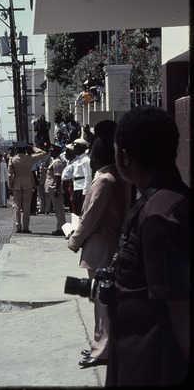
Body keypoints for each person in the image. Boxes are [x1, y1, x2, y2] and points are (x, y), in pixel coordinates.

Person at [106, 106, 189, 386]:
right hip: (136, 355)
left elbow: (180, 307)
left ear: (125, 156)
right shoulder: (163, 202)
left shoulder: (159, 215)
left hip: (154, 366)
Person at [67, 133, 128, 368]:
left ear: (96, 156)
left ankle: (103, 350)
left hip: (100, 246)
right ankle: (100, 343)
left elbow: (90, 217)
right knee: (101, 299)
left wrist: (74, 240)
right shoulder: (116, 175)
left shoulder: (104, 180)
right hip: (106, 244)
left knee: (102, 302)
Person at [8, 142, 46, 233]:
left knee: (17, 206)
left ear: (16, 150)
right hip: (27, 183)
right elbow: (43, 153)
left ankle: (18, 225)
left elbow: (10, 175)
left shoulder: (12, 160)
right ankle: (26, 227)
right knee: (26, 206)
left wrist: (10, 186)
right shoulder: (29, 158)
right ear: (25, 150)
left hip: (17, 183)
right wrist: (33, 148)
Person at [44, 143, 66, 236]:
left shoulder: (57, 163)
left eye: (52, 151)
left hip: (55, 188)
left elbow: (58, 178)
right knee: (58, 210)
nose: (50, 152)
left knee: (59, 209)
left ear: (57, 151)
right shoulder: (53, 161)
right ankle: (59, 227)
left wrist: (57, 190)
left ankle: (61, 228)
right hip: (52, 187)